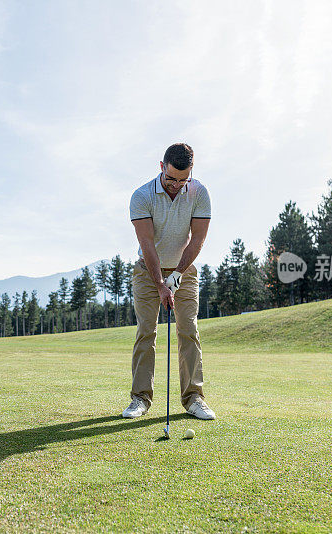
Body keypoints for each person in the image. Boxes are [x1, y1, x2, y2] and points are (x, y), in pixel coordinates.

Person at [122, 143, 216, 420]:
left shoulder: (199, 193)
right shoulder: (141, 196)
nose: (176, 184)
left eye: (182, 179)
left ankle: (194, 399)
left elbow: (198, 239)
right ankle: (140, 399)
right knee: (146, 331)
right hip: (147, 270)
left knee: (188, 330)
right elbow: (147, 243)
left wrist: (176, 276)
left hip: (184, 270)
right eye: (171, 178)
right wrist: (161, 283)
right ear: (161, 167)